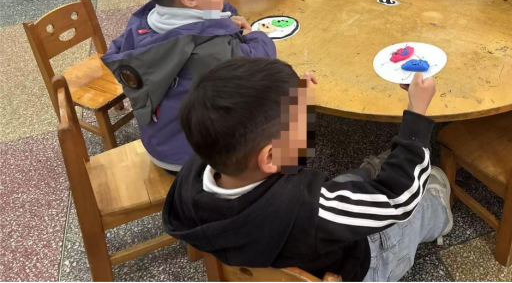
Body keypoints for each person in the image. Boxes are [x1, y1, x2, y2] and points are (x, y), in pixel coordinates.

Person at [162, 59, 454, 282]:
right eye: (302, 121)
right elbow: (397, 200)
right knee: (416, 210)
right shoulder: (307, 209)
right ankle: (440, 214)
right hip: (361, 265)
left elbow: (283, 163)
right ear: (270, 156)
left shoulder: (192, 178)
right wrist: (416, 117)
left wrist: (297, 100)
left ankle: (382, 169)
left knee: (347, 185)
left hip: (281, 245)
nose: (307, 124)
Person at [102, 0, 276, 173]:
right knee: (279, 118)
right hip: (190, 161)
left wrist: (223, 19)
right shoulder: (208, 51)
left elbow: (205, 20)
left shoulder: (144, 22)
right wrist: (253, 35)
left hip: (160, 143)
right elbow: (260, 63)